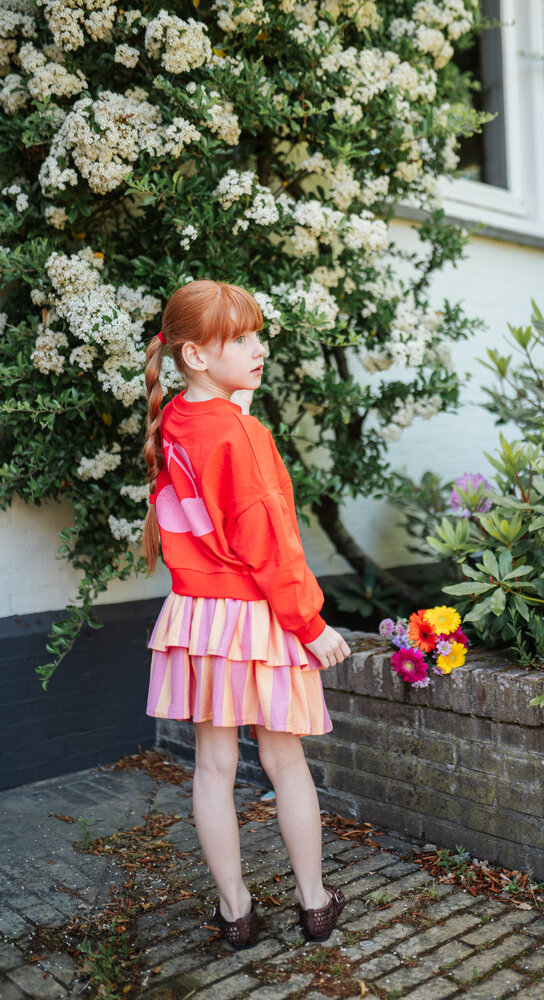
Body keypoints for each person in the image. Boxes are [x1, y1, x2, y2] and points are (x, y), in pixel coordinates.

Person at [142, 279, 351, 948]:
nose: (259, 350)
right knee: (285, 763)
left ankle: (235, 912)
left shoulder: (175, 416)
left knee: (213, 766)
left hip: (200, 617)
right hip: (257, 618)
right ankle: (314, 903)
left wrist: (236, 405)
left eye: (258, 336)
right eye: (240, 340)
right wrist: (311, 624)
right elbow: (270, 544)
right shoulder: (242, 433)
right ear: (197, 355)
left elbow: (208, 477)